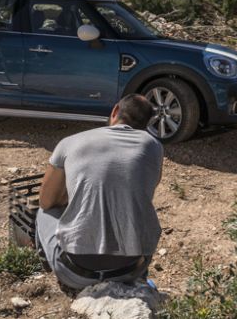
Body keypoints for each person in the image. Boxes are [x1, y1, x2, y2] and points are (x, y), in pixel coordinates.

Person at [36, 94, 162, 290]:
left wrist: (69, 197)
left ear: (115, 111)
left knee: (44, 212)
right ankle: (140, 281)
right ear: (146, 124)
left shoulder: (70, 142)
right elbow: (142, 191)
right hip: (129, 270)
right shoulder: (153, 146)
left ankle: (48, 268)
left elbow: (46, 201)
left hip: (75, 273)